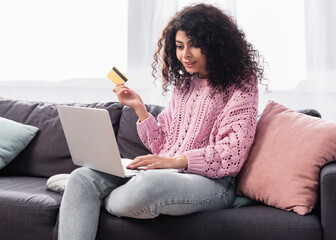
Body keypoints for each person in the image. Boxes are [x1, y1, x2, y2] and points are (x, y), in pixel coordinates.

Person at [58, 3, 266, 240]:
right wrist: (140, 109)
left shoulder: (242, 85)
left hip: (214, 183)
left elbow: (232, 153)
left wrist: (175, 161)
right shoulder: (184, 85)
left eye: (194, 45)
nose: (185, 55)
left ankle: (91, 198)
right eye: (179, 46)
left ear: (215, 45)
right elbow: (161, 145)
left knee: (147, 186)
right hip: (167, 173)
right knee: (81, 177)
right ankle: (86, 192)